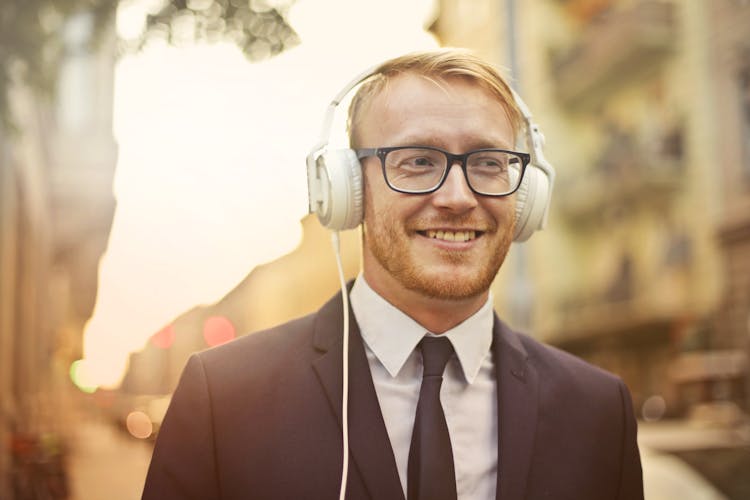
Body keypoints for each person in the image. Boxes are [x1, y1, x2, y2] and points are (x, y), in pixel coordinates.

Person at [142, 49, 644, 500]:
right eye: (418, 161)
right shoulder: (223, 398)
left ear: (526, 195)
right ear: (347, 190)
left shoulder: (599, 410)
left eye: (488, 163)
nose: (457, 197)